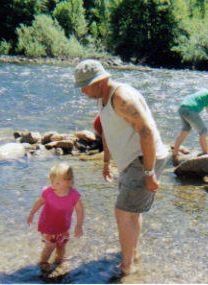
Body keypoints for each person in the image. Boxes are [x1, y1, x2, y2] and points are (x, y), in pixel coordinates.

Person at [74, 59, 168, 275]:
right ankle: (132, 254)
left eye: (84, 86)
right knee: (131, 211)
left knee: (123, 211)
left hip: (143, 158)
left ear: (98, 83)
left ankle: (127, 267)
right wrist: (106, 162)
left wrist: (149, 172)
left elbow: (146, 132)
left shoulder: (122, 98)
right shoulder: (102, 98)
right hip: (130, 160)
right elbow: (107, 132)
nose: (82, 91)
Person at [27, 163, 84, 272]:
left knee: (61, 245)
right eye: (52, 182)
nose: (53, 185)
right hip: (47, 226)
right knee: (50, 245)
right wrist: (32, 213)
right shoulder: (48, 192)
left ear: (69, 182)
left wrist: (79, 225)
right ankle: (43, 261)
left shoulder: (73, 195)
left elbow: (80, 210)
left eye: (57, 183)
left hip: (63, 227)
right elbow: (39, 202)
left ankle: (59, 259)